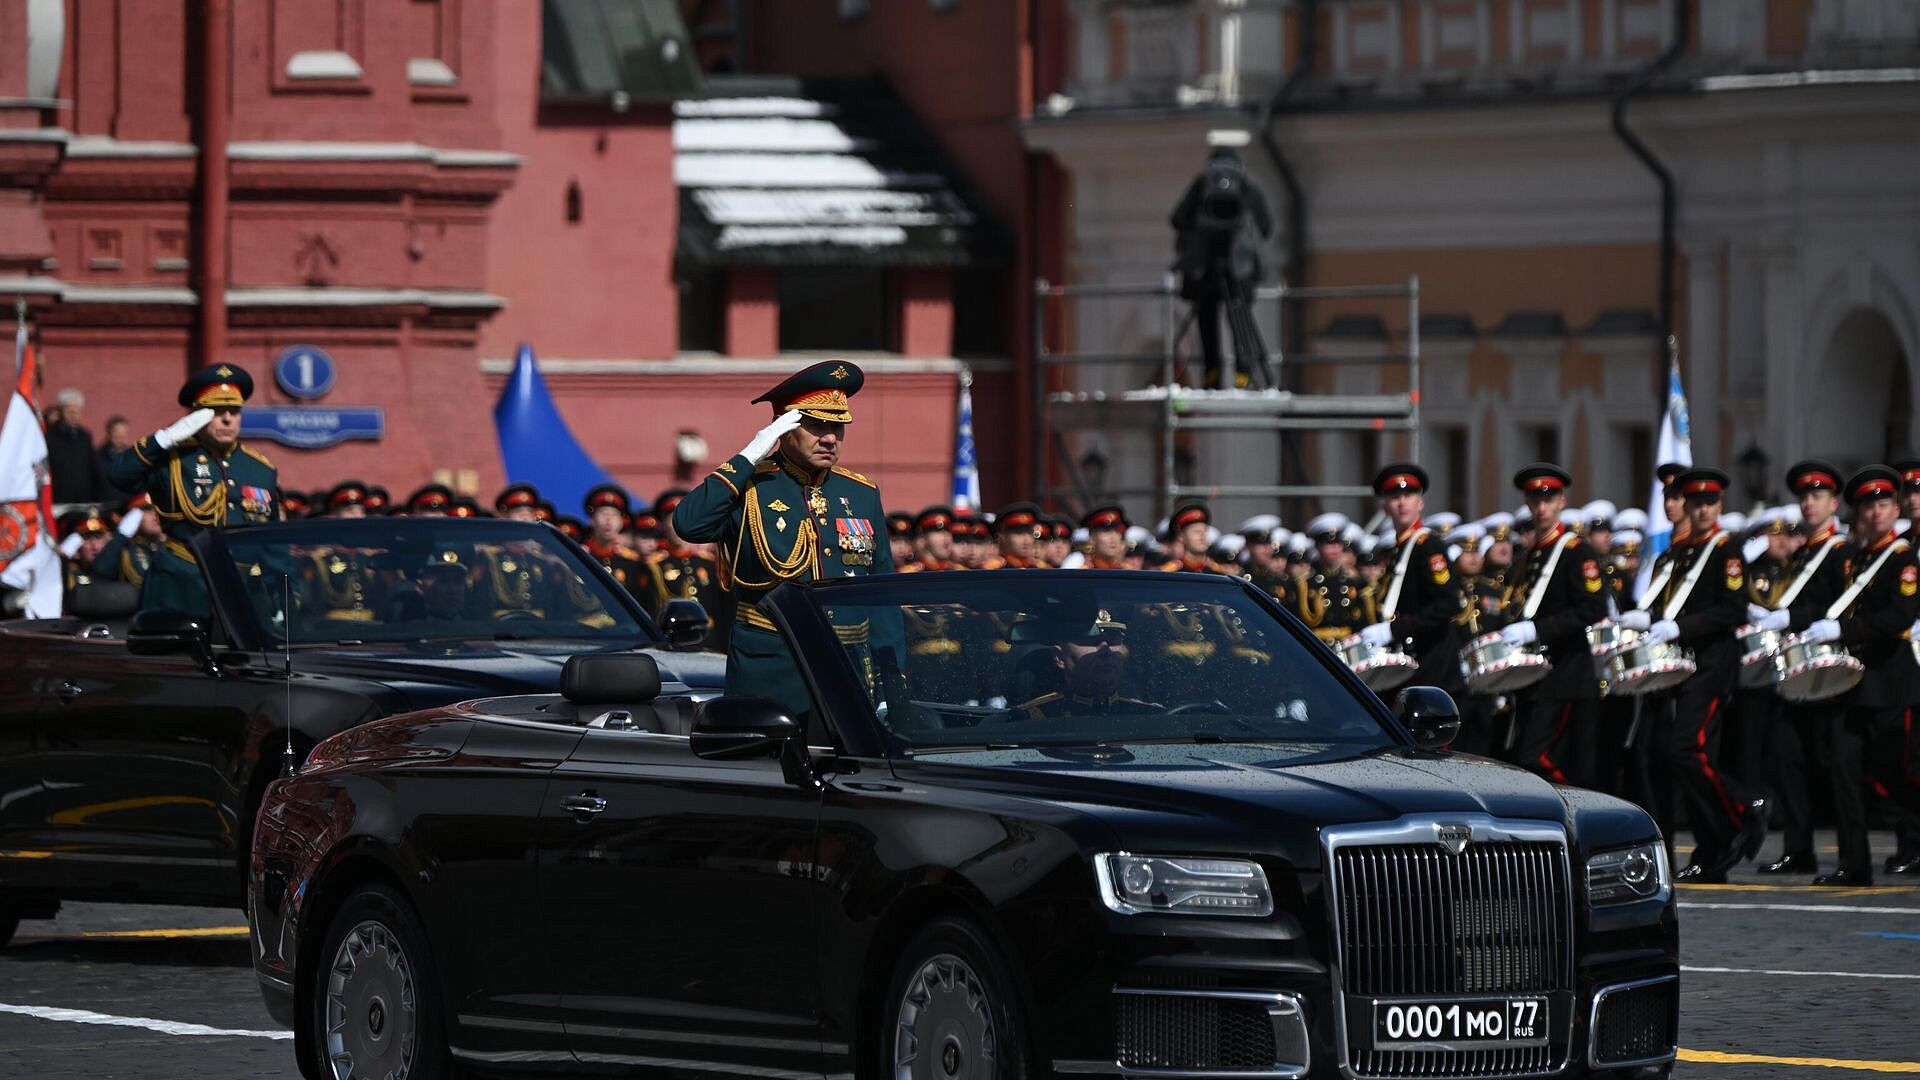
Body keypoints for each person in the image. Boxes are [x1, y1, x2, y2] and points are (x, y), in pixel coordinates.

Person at [674, 361, 895, 723]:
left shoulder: (861, 493)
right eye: (816, 425)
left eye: (838, 427)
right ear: (784, 427)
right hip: (772, 671)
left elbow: (882, 597)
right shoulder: (750, 487)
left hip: (848, 672)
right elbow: (689, 524)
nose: (830, 438)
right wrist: (751, 454)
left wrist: (890, 687)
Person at [1626, 467, 1765, 882]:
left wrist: (1679, 627)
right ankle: (1713, 849)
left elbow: (1733, 609)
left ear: (1720, 506)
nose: (1702, 510)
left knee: (1687, 749)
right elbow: (1667, 606)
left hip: (1713, 664)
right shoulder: (1676, 554)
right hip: (1680, 666)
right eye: (1696, 502)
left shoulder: (1726, 551)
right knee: (1689, 756)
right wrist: (1647, 619)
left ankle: (1743, 811)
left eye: (1710, 502)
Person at [1781, 466, 1920, 885]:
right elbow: (1832, 605)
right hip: (1854, 681)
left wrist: (1844, 630)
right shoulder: (1854, 559)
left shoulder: (1903, 559)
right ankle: (1854, 863)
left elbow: (1900, 616)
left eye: (1884, 504)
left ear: (1895, 510)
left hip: (1892, 681)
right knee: (1843, 769)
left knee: (1896, 772)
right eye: (1868, 506)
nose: (1876, 513)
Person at [107, 364, 278, 615]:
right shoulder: (173, 459)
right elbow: (119, 475)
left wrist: (285, 598)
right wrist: (164, 440)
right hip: (181, 586)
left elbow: (273, 544)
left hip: (242, 590)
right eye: (217, 411)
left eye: (234, 411)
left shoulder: (260, 469)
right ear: (198, 415)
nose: (227, 419)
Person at [1746, 460, 1848, 874]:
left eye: (1817, 496)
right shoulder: (1802, 553)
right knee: (1787, 758)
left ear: (1833, 503)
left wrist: (1793, 618)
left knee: (1833, 761)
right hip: (1796, 669)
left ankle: (1855, 854)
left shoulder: (1842, 551)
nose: (1808, 503)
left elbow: (1839, 606)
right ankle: (1798, 848)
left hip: (1829, 669)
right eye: (1804, 496)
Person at [1495, 464, 1610, 788]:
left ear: (1562, 501)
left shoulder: (1576, 552)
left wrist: (1537, 630)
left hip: (1566, 676)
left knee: (1539, 760)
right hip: (1537, 678)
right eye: (1535, 500)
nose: (1541, 507)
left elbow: (1593, 608)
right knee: (1529, 760)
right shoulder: (1529, 557)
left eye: (1548, 499)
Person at [1169, 135, 1276, 389]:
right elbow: (1266, 226)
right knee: (1239, 319)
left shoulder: (1202, 186)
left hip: (1204, 270)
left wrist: (1200, 223)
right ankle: (1243, 375)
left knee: (1208, 322)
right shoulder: (1246, 188)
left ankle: (1212, 375)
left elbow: (1177, 218)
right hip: (1239, 270)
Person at [1357, 463, 1466, 698]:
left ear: (1420, 503)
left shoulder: (1428, 546)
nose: (1402, 502)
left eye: (1409, 495)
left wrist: (1394, 629)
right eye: (1394, 497)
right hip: (1412, 666)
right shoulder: (1400, 549)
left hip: (1434, 668)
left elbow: (1447, 604)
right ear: (1385, 506)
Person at [1013, 609, 1162, 720]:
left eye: (1113, 640)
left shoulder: (1151, 717)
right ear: (1059, 657)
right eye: (1090, 640)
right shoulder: (1031, 720)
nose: (1106, 650)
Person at [1294, 513, 1366, 642]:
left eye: (1338, 543)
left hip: (1347, 643)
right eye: (1328, 544)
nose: (1335, 549)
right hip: (1318, 644)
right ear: (1317, 546)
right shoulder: (1306, 584)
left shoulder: (1352, 582)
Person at [580, 484, 654, 604]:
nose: (608, 521)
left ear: (621, 522)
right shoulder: (581, 556)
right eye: (603, 514)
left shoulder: (631, 561)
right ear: (592, 520)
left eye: (614, 515)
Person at [47, 388, 109, 504]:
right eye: (69, 411)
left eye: (77, 411)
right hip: (58, 498)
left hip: (82, 499)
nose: (73, 415)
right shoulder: (50, 435)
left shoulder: (85, 436)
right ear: (61, 411)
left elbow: (93, 465)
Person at [902, 507, 961, 572]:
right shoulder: (909, 574)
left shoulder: (961, 572)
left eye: (948, 531)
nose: (946, 536)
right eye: (938, 531)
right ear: (922, 539)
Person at [991, 502, 1046, 568]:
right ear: (1002, 537)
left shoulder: (1041, 568)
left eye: (1030, 532)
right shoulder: (993, 570)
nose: (1026, 539)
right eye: (1018, 533)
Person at [1081, 505, 1130, 571]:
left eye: (1117, 530)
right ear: (1091, 538)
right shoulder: (1081, 574)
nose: (1113, 537)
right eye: (1106, 531)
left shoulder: (1130, 572)